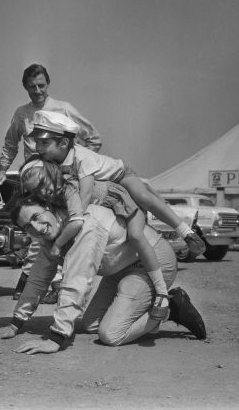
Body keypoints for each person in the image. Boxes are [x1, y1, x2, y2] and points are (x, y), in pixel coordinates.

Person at [28, 110, 206, 319]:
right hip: (108, 195)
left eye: (43, 143)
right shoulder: (52, 162)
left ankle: (182, 238)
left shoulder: (81, 158)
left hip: (120, 177)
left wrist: (70, 224)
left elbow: (84, 198)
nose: (37, 148)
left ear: (64, 144)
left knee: (141, 211)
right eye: (37, 142)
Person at [0, 193, 206, 354]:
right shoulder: (52, 236)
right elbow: (37, 279)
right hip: (119, 270)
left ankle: (172, 307)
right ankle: (143, 304)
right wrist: (15, 324)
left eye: (37, 217)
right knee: (90, 325)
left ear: (50, 207)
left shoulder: (84, 224)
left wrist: (57, 338)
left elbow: (76, 282)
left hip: (153, 261)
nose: (36, 228)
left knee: (111, 335)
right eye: (28, 226)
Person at [0, 64, 102, 303]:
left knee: (66, 229)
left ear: (48, 84)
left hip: (63, 182)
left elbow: (93, 137)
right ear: (25, 88)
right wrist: (2, 170)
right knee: (39, 231)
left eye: (41, 85)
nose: (38, 90)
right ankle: (45, 284)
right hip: (37, 183)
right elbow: (11, 143)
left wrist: (80, 166)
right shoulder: (22, 113)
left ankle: (41, 284)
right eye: (32, 87)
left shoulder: (64, 109)